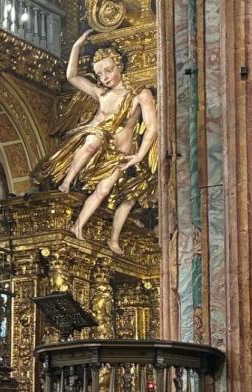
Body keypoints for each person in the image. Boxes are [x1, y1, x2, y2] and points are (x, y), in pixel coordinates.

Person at [31, 30, 158, 255]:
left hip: (120, 154)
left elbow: (152, 127)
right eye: (100, 74)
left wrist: (140, 155)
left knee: (104, 190)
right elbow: (71, 76)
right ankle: (67, 181)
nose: (105, 77)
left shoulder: (140, 94)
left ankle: (78, 225)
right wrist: (76, 45)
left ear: (119, 66)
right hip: (99, 139)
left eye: (108, 70)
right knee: (92, 139)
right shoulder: (101, 94)